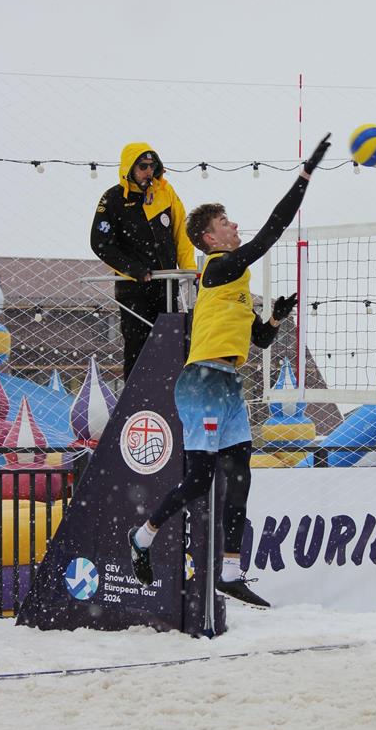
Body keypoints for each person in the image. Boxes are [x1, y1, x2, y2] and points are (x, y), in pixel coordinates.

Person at [127, 133, 332, 608]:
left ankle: (232, 571)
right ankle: (142, 536)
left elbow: (259, 340)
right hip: (202, 382)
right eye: (225, 222)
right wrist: (304, 176)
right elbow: (271, 231)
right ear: (209, 239)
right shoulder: (219, 266)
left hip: (228, 384)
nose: (234, 225)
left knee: (241, 475)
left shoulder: (236, 284)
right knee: (201, 479)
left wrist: (275, 318)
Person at [90, 143, 196, 381]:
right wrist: (133, 269)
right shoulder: (113, 198)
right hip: (133, 288)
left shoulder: (165, 192)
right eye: (143, 166)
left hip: (166, 285)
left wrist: (190, 273)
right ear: (129, 168)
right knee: (137, 346)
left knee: (169, 345)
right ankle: (135, 396)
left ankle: (167, 395)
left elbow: (182, 235)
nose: (149, 171)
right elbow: (99, 242)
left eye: (152, 166)